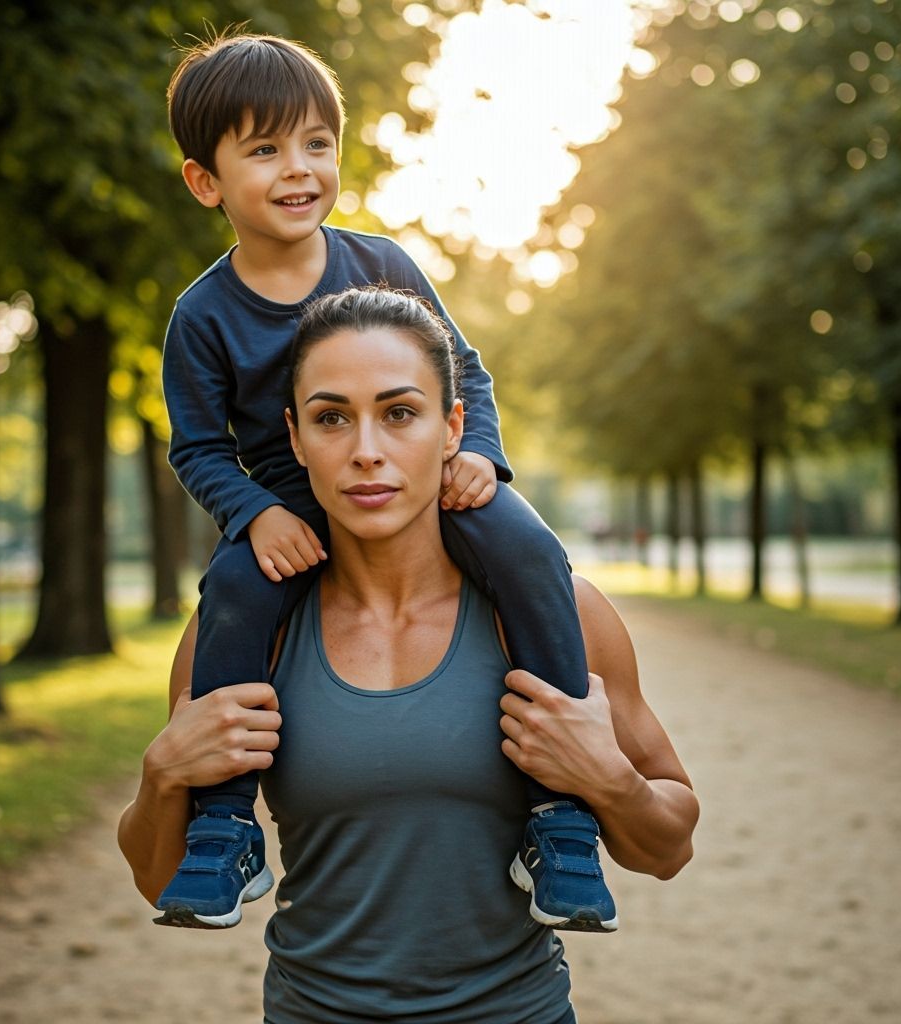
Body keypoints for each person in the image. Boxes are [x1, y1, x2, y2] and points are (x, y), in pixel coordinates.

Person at [118, 287, 699, 1023]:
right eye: (332, 418)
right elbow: (159, 877)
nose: (367, 451)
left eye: (399, 413)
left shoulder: (562, 615)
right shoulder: (238, 632)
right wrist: (163, 775)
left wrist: (609, 782)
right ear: (295, 440)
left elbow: (669, 848)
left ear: (453, 427)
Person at [157, 28, 617, 932]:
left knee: (528, 550)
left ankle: (561, 818)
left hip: (427, 478)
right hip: (291, 505)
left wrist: (476, 453)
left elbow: (466, 373)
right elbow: (198, 449)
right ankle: (223, 827)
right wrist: (252, 515)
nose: (299, 169)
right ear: (206, 182)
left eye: (316, 143)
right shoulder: (203, 315)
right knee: (235, 595)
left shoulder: (382, 264)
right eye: (264, 150)